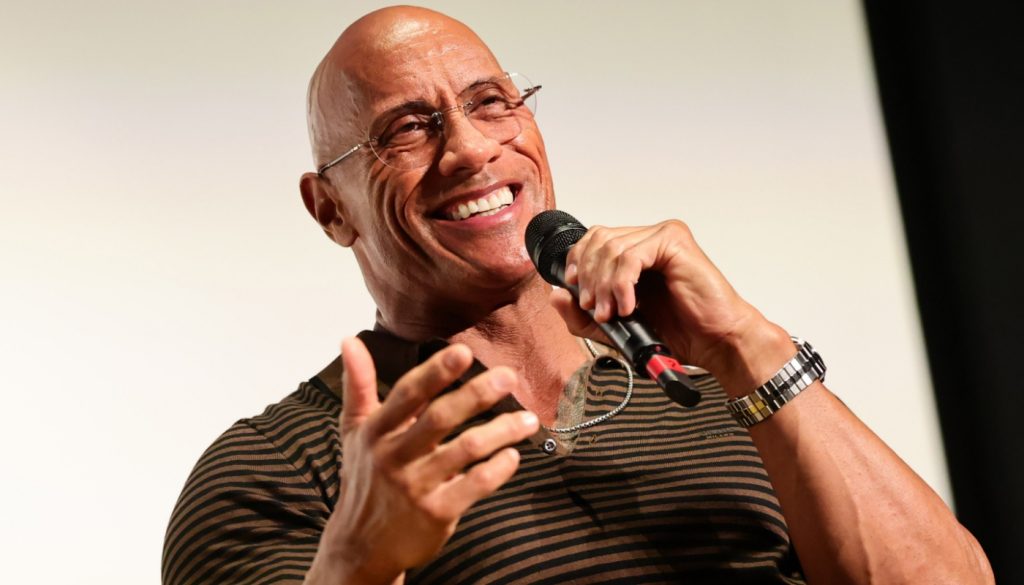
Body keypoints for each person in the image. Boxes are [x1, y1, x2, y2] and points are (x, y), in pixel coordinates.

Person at [162, 6, 993, 585]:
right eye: (407, 129)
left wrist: (747, 343)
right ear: (329, 207)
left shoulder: (720, 393)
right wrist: (358, 561)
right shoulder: (275, 471)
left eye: (492, 103)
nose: (471, 149)